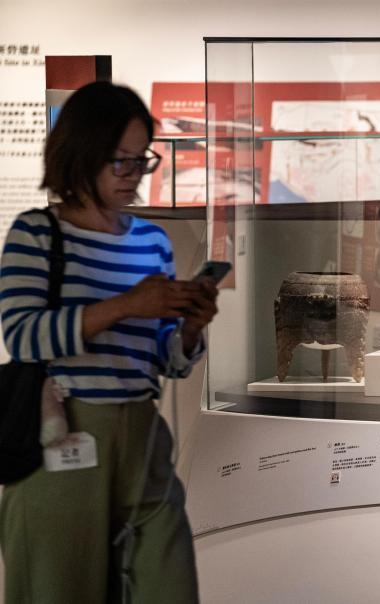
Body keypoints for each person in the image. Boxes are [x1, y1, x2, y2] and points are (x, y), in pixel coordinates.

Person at [0, 81, 217, 603]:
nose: (133, 175)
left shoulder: (151, 240)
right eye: (120, 161)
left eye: (141, 160)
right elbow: (23, 335)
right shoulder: (38, 233)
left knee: (169, 583)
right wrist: (125, 305)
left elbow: (164, 360)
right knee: (59, 588)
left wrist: (189, 329)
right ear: (81, 154)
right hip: (64, 434)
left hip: (142, 432)